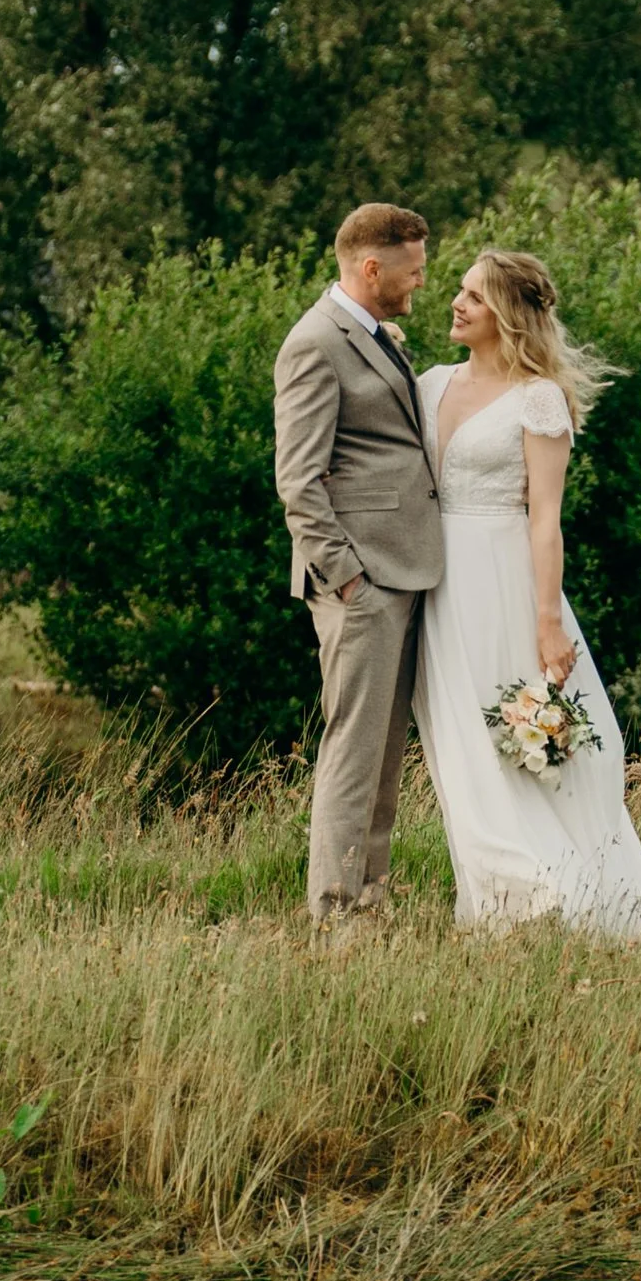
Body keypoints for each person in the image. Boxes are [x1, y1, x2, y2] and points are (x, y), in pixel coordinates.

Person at [413, 251, 641, 942]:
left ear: (507, 315)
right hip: (435, 591)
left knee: (514, 743)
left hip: (504, 582)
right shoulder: (428, 384)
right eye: (460, 291)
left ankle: (556, 897)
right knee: (460, 750)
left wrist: (549, 623)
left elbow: (546, 520)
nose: (456, 304)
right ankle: (500, 900)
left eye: (473, 296)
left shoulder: (538, 399)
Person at [272, 202, 443, 929]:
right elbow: (298, 481)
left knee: (383, 752)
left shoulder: (372, 332)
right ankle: (335, 913)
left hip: (397, 570)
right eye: (412, 271)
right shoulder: (314, 343)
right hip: (360, 581)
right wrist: (348, 577)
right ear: (370, 268)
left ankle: (368, 899)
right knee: (353, 752)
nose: (420, 285)